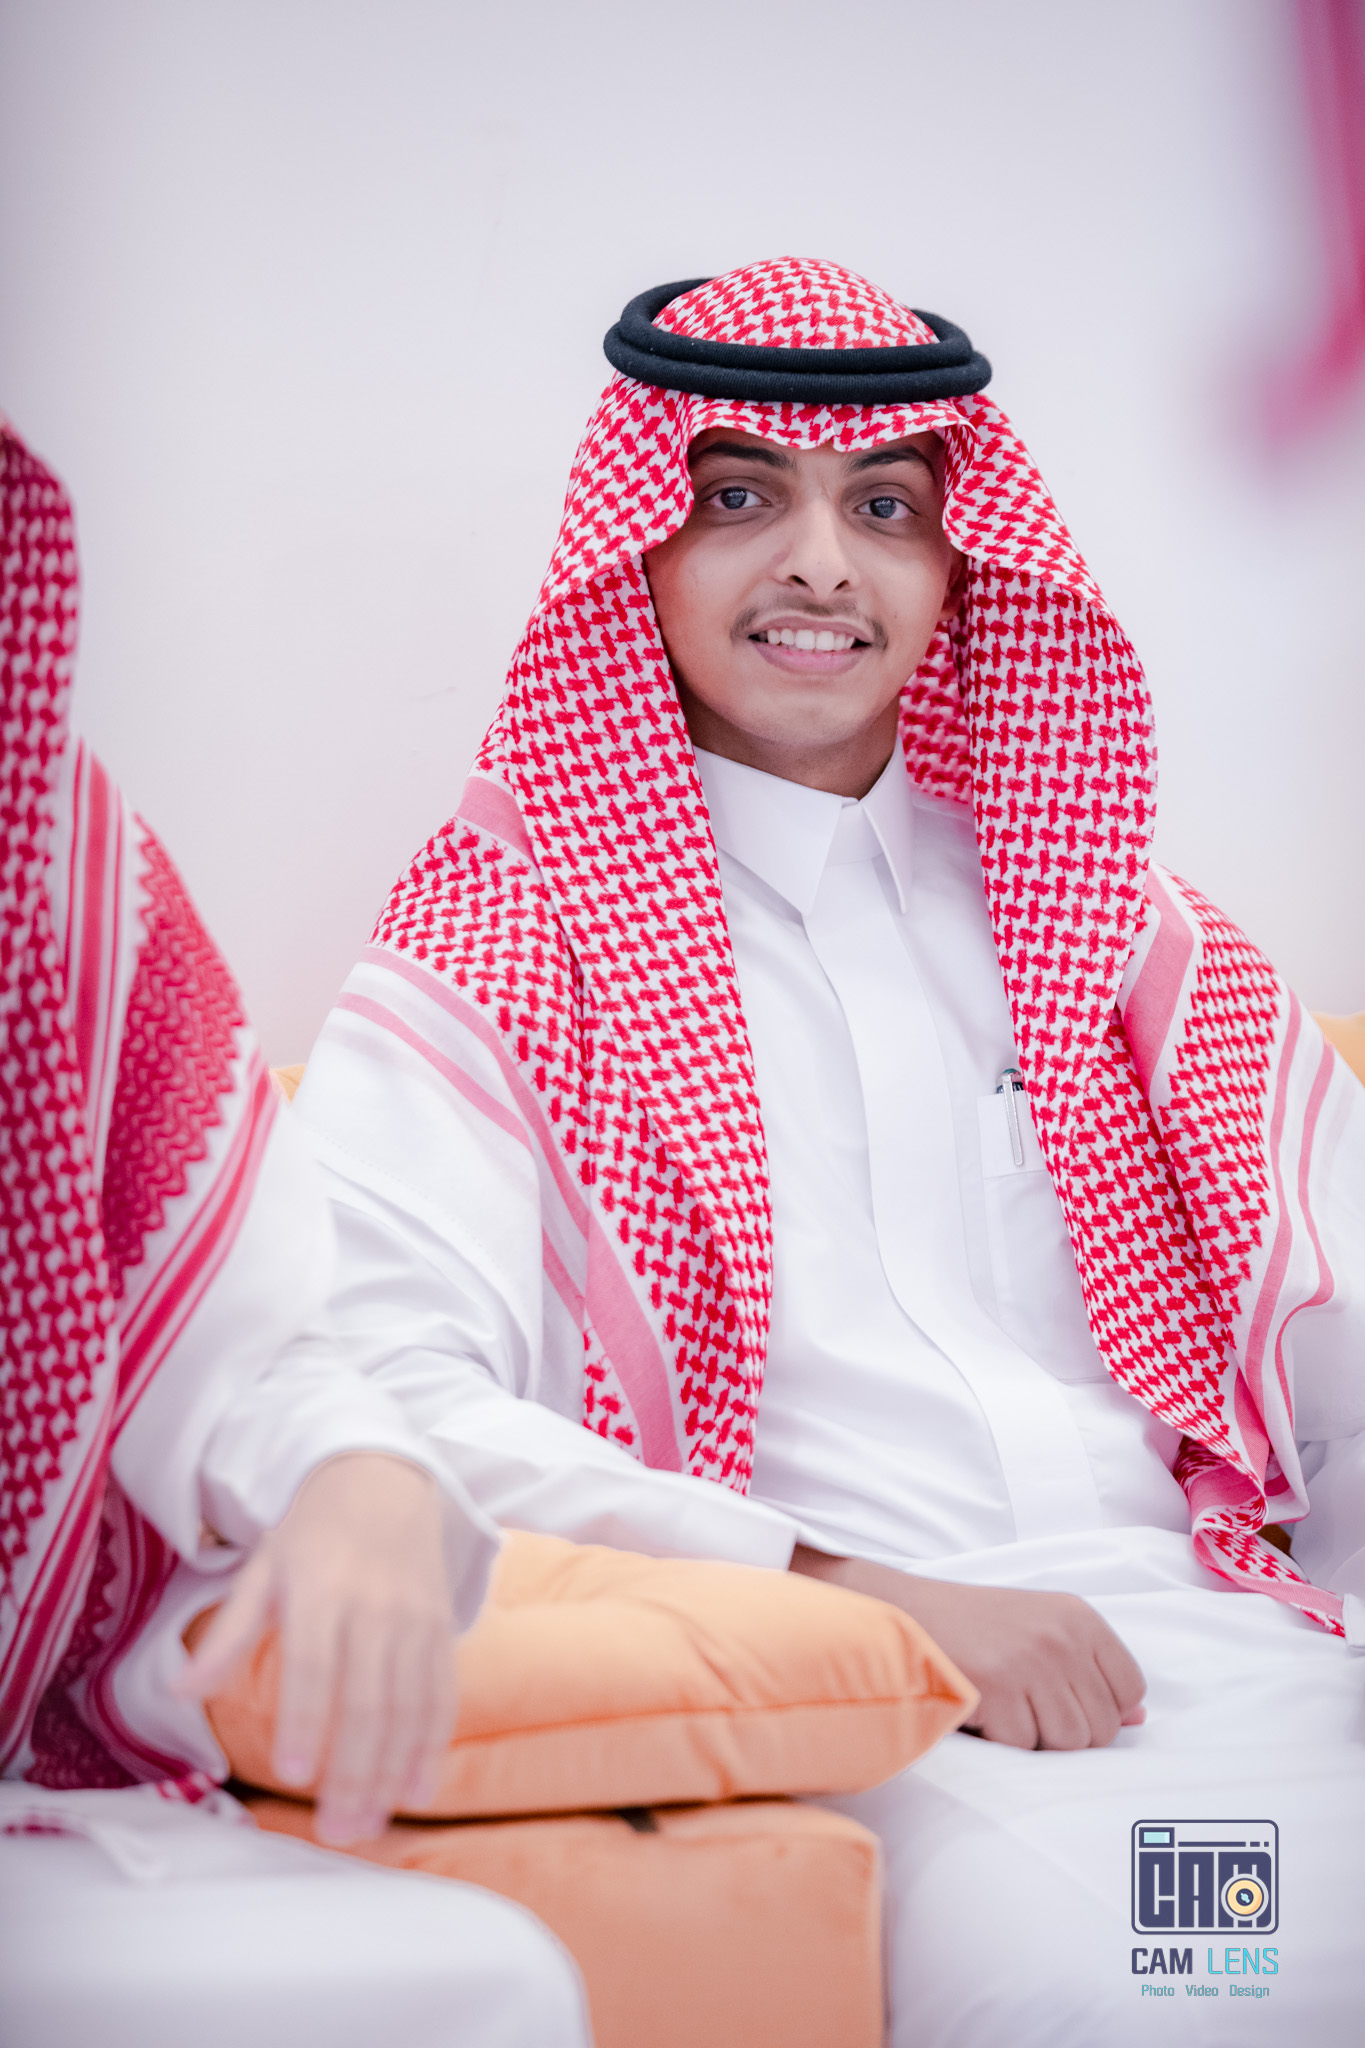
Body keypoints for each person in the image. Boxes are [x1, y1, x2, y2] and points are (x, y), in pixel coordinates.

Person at [291, 260, 1365, 2044]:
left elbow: (1340, 1373)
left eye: (883, 506)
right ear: (636, 549)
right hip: (885, 1712)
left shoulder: (1120, 930)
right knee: (1175, 1995)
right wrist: (850, 1601)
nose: (817, 564)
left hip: (1264, 1659)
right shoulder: (502, 948)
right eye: (737, 500)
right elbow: (375, 1397)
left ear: (960, 562)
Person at [0, 421, 591, 2048]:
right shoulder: (483, 954)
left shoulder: (59, 879)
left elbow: (241, 1347)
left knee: (483, 1978)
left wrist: (358, 1476)